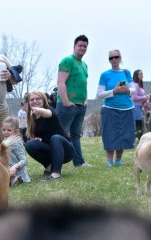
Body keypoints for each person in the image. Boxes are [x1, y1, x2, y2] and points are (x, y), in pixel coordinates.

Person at [56, 35, 91, 168]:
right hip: (67, 106)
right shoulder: (67, 61)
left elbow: (84, 83)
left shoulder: (84, 65)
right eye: (80, 45)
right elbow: (60, 82)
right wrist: (65, 102)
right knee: (59, 135)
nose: (82, 48)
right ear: (74, 46)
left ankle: (79, 162)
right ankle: (53, 163)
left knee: (75, 135)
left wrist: (85, 100)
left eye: (85, 46)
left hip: (81, 106)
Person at [25, 89, 75, 181]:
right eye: (32, 100)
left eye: (38, 99)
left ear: (44, 100)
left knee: (55, 138)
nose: (35, 101)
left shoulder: (50, 109)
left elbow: (47, 114)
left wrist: (39, 110)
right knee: (30, 144)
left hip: (66, 150)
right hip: (51, 150)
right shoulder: (31, 119)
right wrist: (37, 139)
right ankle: (48, 167)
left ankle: (56, 173)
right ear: (29, 103)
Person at [96, 50, 135, 167]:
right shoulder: (105, 75)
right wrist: (114, 91)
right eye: (111, 58)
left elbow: (133, 89)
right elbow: (99, 94)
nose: (114, 59)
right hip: (110, 108)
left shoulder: (127, 72)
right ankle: (109, 161)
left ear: (120, 58)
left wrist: (128, 90)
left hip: (127, 108)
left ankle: (118, 160)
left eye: (116, 57)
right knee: (110, 135)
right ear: (109, 60)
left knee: (124, 135)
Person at [1, 116, 29, 186]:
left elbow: (24, 160)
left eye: (9, 130)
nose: (6, 132)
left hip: (17, 172)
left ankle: (17, 179)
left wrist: (15, 167)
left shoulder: (16, 142)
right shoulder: (5, 141)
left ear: (16, 131)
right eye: (4, 130)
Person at [131, 69, 148, 139]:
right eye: (140, 74)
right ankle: (139, 139)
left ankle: (139, 139)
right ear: (136, 75)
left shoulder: (140, 85)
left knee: (139, 124)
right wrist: (145, 97)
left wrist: (145, 100)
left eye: (142, 74)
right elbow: (134, 97)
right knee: (138, 124)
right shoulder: (135, 85)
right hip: (136, 107)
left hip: (139, 106)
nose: (142, 75)